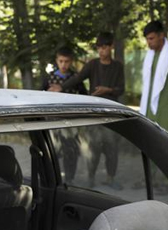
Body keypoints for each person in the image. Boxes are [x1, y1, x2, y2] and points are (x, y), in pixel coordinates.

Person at [50, 32, 125, 189]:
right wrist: (61, 87)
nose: (101, 51)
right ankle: (91, 178)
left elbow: (121, 89)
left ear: (111, 47)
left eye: (104, 47)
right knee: (93, 147)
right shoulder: (93, 64)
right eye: (98, 48)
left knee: (111, 147)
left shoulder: (118, 66)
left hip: (112, 113)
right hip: (95, 113)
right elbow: (77, 78)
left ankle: (111, 178)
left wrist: (108, 90)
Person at [41, 47, 87, 184]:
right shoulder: (49, 78)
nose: (63, 64)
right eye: (61, 61)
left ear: (71, 61)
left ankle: (69, 179)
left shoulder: (76, 78)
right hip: (52, 122)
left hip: (70, 123)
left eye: (66, 61)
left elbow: (84, 96)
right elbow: (39, 95)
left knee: (71, 151)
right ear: (56, 60)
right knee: (51, 151)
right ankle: (51, 179)